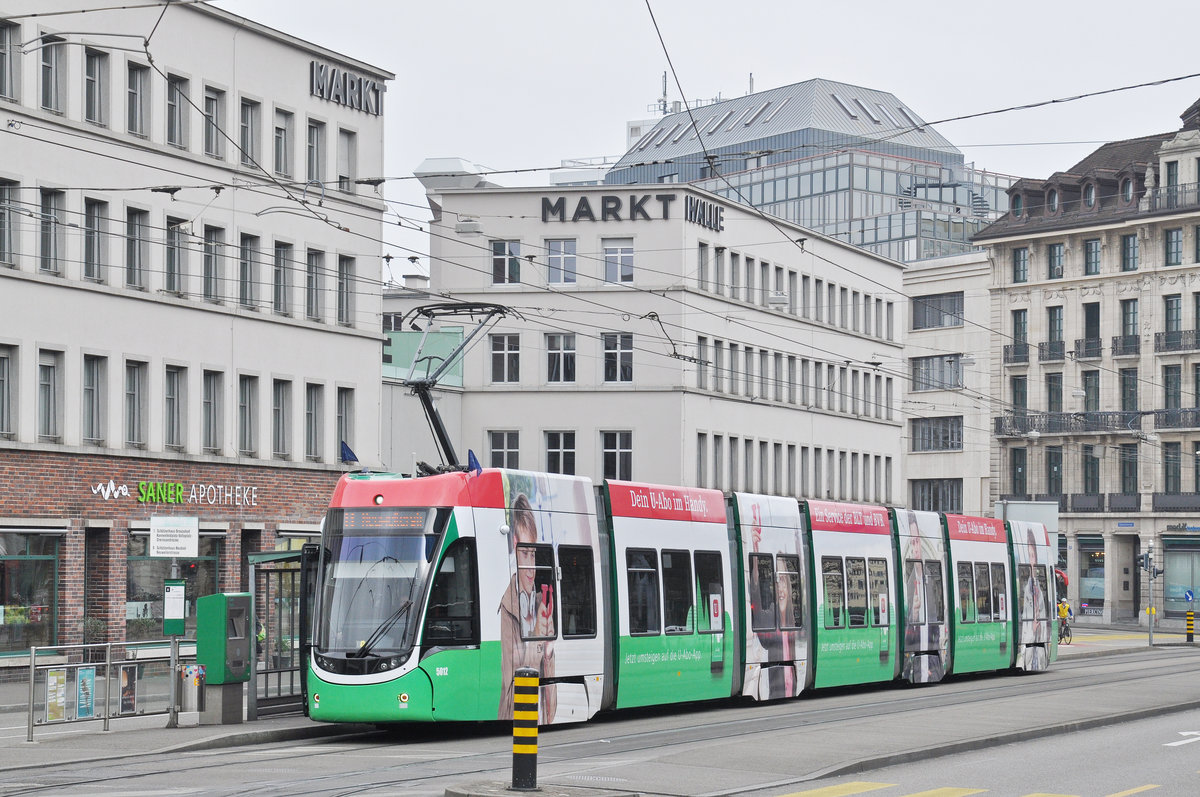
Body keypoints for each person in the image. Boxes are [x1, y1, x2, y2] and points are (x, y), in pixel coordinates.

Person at [498, 493, 557, 722]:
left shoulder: (543, 604)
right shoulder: (507, 608)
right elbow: (511, 690)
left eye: (533, 554)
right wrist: (537, 636)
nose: (531, 567)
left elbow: (551, 711)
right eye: (525, 553)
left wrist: (549, 649)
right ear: (514, 545)